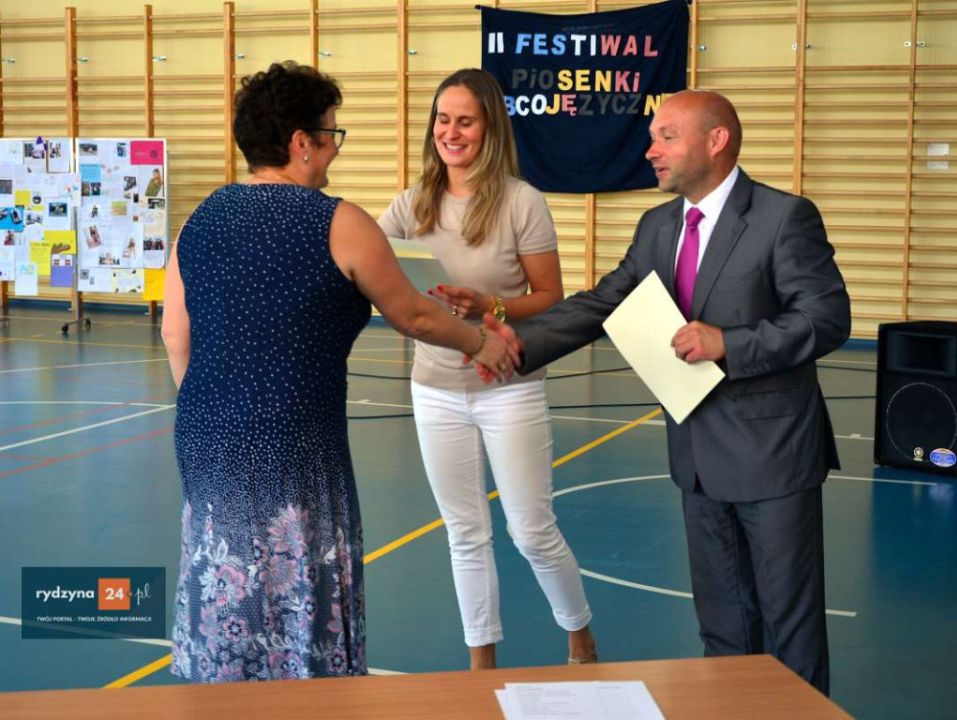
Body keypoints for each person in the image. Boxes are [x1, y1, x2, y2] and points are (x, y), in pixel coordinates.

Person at [484, 90, 849, 695]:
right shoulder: (657, 226)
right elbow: (603, 302)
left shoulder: (784, 217)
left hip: (774, 458)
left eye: (666, 137)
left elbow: (826, 318)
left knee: (791, 626)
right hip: (698, 461)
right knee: (723, 624)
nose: (650, 150)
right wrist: (515, 345)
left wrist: (729, 343)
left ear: (716, 140)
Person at [161, 61, 515, 684]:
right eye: (331, 133)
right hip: (296, 439)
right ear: (302, 143)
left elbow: (175, 334)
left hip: (206, 432)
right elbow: (412, 314)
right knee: (300, 575)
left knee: (223, 571)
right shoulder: (338, 222)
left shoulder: (199, 220)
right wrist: (481, 342)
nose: (334, 147)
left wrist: (214, 411)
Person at [377, 68, 596, 670]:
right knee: (464, 532)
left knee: (532, 531)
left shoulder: (522, 202)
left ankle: (580, 636)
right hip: (435, 391)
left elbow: (549, 296)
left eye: (465, 121)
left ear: (490, 128)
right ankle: (481, 663)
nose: (451, 132)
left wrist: (491, 307)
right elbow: (370, 268)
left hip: (508, 388)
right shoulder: (411, 204)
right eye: (443, 120)